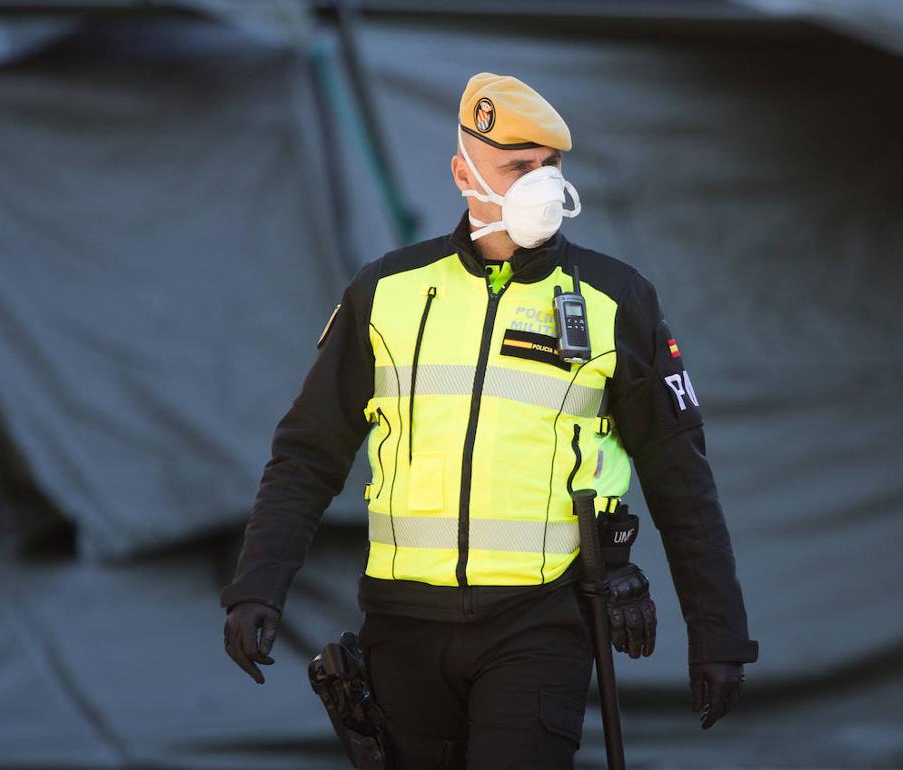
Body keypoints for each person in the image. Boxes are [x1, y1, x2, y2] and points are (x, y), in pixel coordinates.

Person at [221, 72, 758, 769]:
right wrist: (258, 585)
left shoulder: (615, 299)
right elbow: (308, 452)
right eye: (516, 167)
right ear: (463, 171)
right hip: (400, 627)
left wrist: (718, 634)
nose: (540, 185)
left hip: (538, 623)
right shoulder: (387, 291)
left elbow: (679, 471)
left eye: (549, 167)